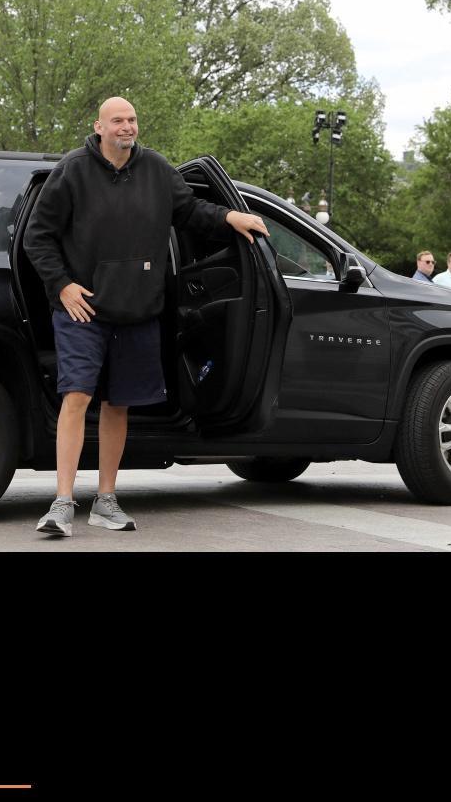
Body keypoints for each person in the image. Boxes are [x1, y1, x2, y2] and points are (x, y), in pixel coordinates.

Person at [24, 97, 270, 536]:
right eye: (118, 120)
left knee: (118, 406)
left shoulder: (157, 170)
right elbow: (37, 236)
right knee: (76, 398)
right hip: (83, 310)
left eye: (133, 119)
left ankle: (105, 500)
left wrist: (231, 215)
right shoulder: (72, 170)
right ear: (98, 126)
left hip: (138, 311)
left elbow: (191, 212)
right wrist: (61, 285)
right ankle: (62, 503)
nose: (127, 126)